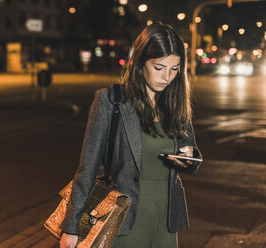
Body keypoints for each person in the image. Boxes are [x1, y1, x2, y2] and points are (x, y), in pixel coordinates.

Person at [60, 22, 202, 248]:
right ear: (139, 62)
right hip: (126, 223)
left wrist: (189, 156)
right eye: (159, 67)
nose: (167, 76)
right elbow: (87, 167)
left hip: (166, 220)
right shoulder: (110, 101)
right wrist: (71, 226)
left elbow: (191, 153)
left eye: (174, 69)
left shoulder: (176, 104)